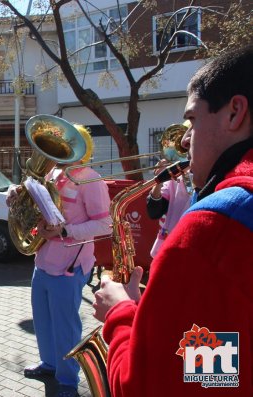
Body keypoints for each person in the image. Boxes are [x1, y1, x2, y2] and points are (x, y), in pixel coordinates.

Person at [93, 46, 252, 396]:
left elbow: (159, 385)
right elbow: (229, 363)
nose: (184, 139)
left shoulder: (215, 231)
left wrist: (121, 313)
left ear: (235, 112)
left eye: (192, 120)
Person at [7, 124, 112, 397]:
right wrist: (16, 198)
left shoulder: (91, 180)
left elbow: (105, 225)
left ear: (81, 148)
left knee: (66, 326)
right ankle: (49, 363)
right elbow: (36, 206)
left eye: (66, 146)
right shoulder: (52, 174)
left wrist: (65, 230)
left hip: (69, 266)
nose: (58, 152)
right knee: (43, 319)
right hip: (43, 261)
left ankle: (68, 380)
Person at [146, 162, 192, 257]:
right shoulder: (174, 179)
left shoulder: (210, 173)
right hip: (170, 244)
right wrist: (159, 179)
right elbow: (154, 212)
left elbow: (191, 191)